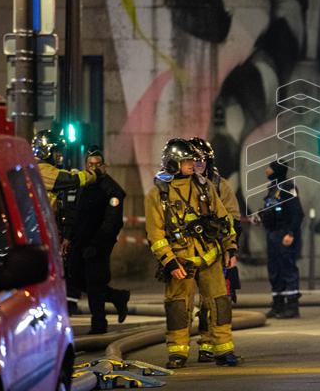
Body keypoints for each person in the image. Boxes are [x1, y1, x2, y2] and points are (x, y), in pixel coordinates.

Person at [145, 138, 241, 369]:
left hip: (210, 256)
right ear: (172, 164)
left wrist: (230, 247)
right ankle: (178, 352)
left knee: (220, 303)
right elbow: (156, 234)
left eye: (192, 160)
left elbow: (222, 219)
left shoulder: (205, 186)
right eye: (186, 160)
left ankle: (224, 350)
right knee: (178, 306)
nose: (192, 164)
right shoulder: (158, 194)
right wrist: (169, 262)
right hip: (181, 260)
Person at [189, 136, 244, 362]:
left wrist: (229, 248)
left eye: (201, 161)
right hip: (188, 253)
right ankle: (187, 347)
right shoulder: (177, 185)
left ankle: (211, 345)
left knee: (216, 302)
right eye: (193, 160)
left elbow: (233, 218)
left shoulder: (219, 185)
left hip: (216, 253)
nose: (197, 165)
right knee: (185, 305)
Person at [67, 147, 130, 335]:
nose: (94, 168)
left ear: (105, 166)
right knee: (75, 277)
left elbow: (112, 221)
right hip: (80, 242)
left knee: (95, 282)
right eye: (90, 165)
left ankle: (99, 324)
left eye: (98, 164)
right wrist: (69, 238)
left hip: (98, 244)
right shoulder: (83, 185)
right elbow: (75, 214)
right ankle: (117, 296)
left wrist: (97, 244)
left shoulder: (111, 190)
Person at [32, 128, 96, 314]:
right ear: (46, 151)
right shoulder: (42, 169)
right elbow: (70, 180)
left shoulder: (43, 169)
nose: (60, 155)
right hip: (39, 232)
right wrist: (93, 174)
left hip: (44, 230)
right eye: (56, 151)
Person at [257, 159, 304, 319]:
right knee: (274, 269)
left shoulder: (288, 187)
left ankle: (292, 306)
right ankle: (278, 304)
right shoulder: (272, 188)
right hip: (272, 233)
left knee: (287, 269)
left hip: (284, 234)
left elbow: (297, 213)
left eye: (269, 168)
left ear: (277, 170)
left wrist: (290, 233)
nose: (267, 170)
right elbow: (270, 210)